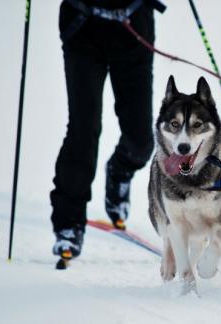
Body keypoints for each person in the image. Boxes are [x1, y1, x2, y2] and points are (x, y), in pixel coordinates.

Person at [51, 0, 165, 259]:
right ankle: (68, 223)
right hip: (82, 26)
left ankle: (120, 170)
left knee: (141, 140)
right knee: (83, 129)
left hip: (133, 25)